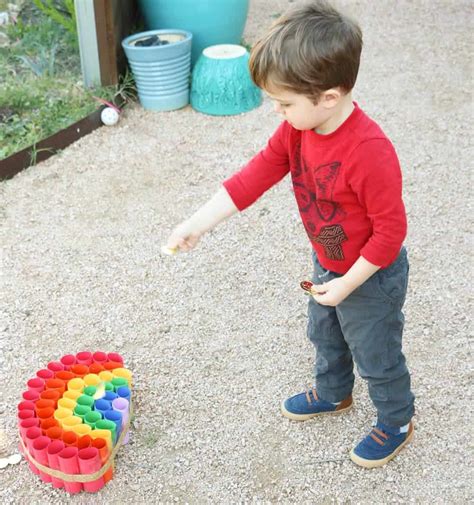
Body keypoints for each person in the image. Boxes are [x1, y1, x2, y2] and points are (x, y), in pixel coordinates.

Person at [165, 0, 415, 468]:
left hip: (370, 276)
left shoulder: (370, 152)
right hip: (329, 262)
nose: (277, 112)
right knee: (325, 333)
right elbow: (252, 178)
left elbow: (390, 231)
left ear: (329, 97)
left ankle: (396, 419)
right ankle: (334, 393)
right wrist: (195, 224)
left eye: (284, 103)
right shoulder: (298, 131)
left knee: (375, 350)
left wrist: (347, 284)